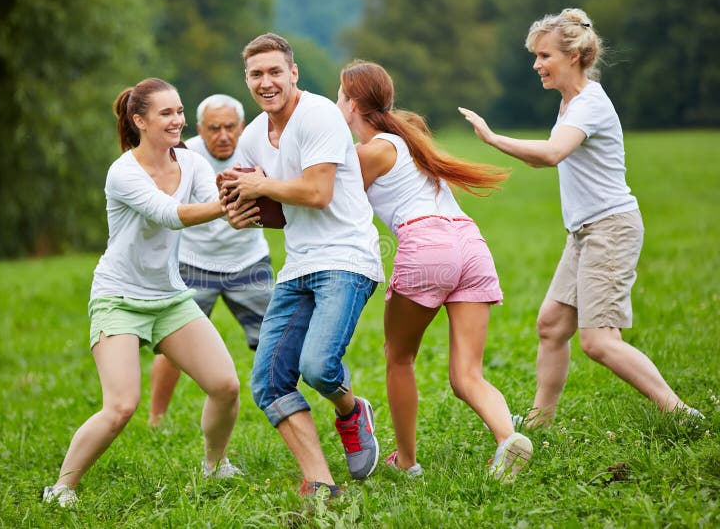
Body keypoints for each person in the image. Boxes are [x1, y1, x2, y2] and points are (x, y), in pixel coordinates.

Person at [459, 8, 703, 428]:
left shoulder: (590, 103)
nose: (537, 64)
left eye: (544, 55)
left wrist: (493, 138)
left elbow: (552, 155)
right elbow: (546, 160)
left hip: (610, 229)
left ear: (573, 56)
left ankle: (683, 414)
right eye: (536, 56)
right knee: (552, 325)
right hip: (585, 232)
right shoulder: (570, 103)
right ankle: (540, 421)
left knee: (599, 341)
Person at [43, 78, 253, 508]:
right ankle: (61, 488)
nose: (177, 120)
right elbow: (170, 215)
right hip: (118, 298)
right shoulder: (123, 172)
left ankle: (215, 466)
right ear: (139, 120)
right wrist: (228, 204)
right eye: (167, 114)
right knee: (121, 407)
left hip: (169, 297)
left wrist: (252, 206)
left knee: (226, 386)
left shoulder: (191, 163)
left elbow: (213, 214)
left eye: (179, 111)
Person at [337, 60, 532, 482]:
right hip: (471, 244)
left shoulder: (369, 152)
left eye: (340, 94)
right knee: (467, 375)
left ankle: (406, 461)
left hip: (427, 246)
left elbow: (319, 191)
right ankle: (507, 438)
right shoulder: (410, 140)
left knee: (399, 357)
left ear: (351, 103)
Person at [219, 33, 385, 497]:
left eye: (275, 71)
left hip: (347, 257)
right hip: (298, 266)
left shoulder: (319, 115)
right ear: (247, 79)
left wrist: (259, 188)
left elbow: (317, 192)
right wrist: (241, 209)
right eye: (256, 74)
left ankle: (352, 412)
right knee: (268, 383)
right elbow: (276, 211)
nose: (266, 82)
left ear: (294, 73)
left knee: (318, 367)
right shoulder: (253, 135)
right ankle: (321, 483)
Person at [148, 94, 274, 428]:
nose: (222, 135)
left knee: (276, 338)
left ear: (241, 126)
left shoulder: (257, 149)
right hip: (193, 262)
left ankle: (280, 407)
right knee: (174, 343)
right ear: (201, 129)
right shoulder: (182, 156)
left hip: (249, 261)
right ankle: (156, 419)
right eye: (214, 128)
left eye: (230, 127)